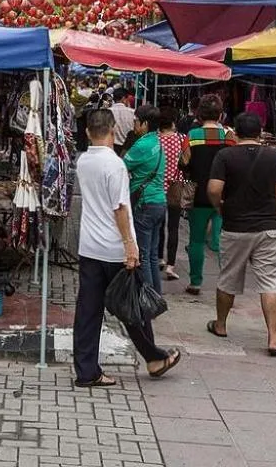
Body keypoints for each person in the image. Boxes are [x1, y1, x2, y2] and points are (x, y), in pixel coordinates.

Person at [72, 108, 181, 387]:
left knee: (88, 311)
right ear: (112, 131)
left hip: (89, 247)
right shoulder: (115, 165)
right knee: (132, 307)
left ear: (87, 132)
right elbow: (120, 208)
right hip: (114, 248)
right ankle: (154, 358)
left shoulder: (83, 161)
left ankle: (87, 370)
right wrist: (130, 246)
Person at [207, 112, 276, 356]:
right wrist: (274, 214)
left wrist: (219, 206)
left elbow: (213, 189)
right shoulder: (274, 157)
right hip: (268, 228)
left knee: (228, 278)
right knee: (270, 282)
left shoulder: (225, 155)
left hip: (235, 227)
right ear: (260, 132)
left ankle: (221, 325)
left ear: (236, 133)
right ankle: (273, 339)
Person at [182, 95, 233, 295]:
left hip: (198, 195)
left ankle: (195, 282)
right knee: (221, 240)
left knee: (196, 239)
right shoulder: (229, 136)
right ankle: (226, 283)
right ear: (221, 115)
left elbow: (183, 164)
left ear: (200, 115)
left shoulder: (192, 136)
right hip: (224, 195)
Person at [123, 106, 168, 294]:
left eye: (136, 120)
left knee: (142, 255)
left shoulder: (142, 145)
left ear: (145, 124)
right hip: (159, 202)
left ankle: (147, 298)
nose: (134, 123)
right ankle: (156, 295)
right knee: (151, 256)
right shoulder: (157, 142)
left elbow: (120, 166)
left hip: (145, 204)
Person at [156, 107, 188, 283]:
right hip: (175, 186)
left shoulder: (155, 140)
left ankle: (159, 257)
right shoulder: (182, 138)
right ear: (174, 123)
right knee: (174, 227)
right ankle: (171, 265)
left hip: (157, 185)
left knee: (159, 225)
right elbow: (187, 161)